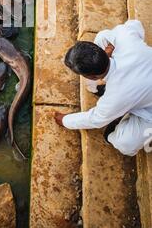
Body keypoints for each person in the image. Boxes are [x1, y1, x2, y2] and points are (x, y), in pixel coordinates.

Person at [53, 20, 152, 157]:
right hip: (143, 86)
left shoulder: (116, 95)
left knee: (126, 143)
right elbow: (136, 24)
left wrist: (65, 120)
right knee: (103, 36)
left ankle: (118, 125)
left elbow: (96, 119)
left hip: (148, 109)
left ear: (93, 77)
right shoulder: (124, 36)